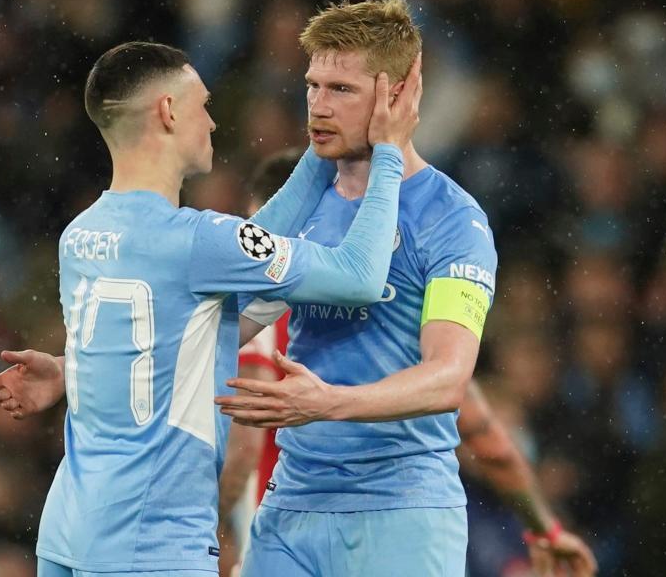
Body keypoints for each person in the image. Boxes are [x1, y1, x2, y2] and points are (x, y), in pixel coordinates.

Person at [0, 40, 422, 576]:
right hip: (153, 543)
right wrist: (389, 151)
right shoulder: (197, 241)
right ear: (167, 111)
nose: (211, 123)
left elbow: (162, 339)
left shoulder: (81, 235)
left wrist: (74, 371)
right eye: (203, 106)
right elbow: (361, 277)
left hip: (70, 531)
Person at [215, 150, 597, 577]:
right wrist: (545, 529)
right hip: (354, 520)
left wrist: (205, 535)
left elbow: (241, 447)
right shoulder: (400, 332)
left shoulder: (256, 308)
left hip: (286, 522)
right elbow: (488, 439)